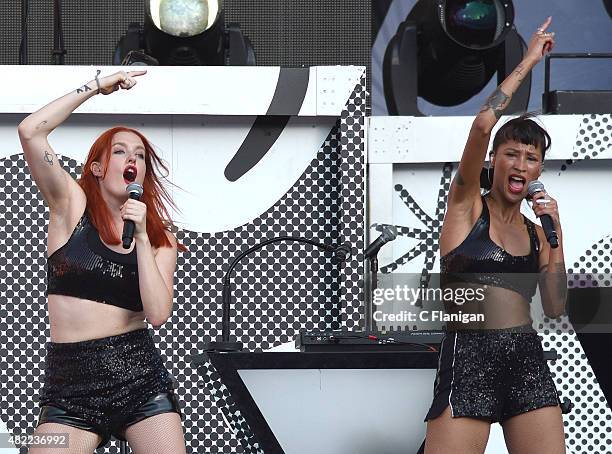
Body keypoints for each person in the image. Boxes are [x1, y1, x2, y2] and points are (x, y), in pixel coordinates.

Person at [17, 70, 187, 453]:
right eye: (121, 151)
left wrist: (142, 235)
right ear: (97, 167)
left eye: (140, 155)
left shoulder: (160, 237)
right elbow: (30, 132)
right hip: (70, 385)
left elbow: (157, 314)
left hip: (139, 377)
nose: (133, 159)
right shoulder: (70, 207)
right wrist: (96, 87)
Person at [423, 17, 567, 454]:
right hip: (470, 358)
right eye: (512, 154)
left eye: (531, 158)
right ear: (494, 160)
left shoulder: (537, 230)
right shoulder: (467, 205)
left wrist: (557, 233)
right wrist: (526, 62)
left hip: (524, 359)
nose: (521, 165)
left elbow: (557, 306)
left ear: (539, 169)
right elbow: (483, 124)